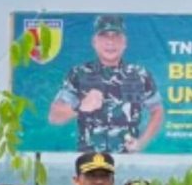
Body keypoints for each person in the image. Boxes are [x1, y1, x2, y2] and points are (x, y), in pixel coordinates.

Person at [48, 17, 165, 154]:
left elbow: (157, 111)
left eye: (116, 36)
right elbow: (54, 116)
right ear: (94, 42)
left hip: (127, 161)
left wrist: (141, 142)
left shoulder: (140, 74)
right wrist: (81, 107)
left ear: (124, 42)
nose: (110, 42)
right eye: (104, 35)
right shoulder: (78, 74)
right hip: (89, 162)